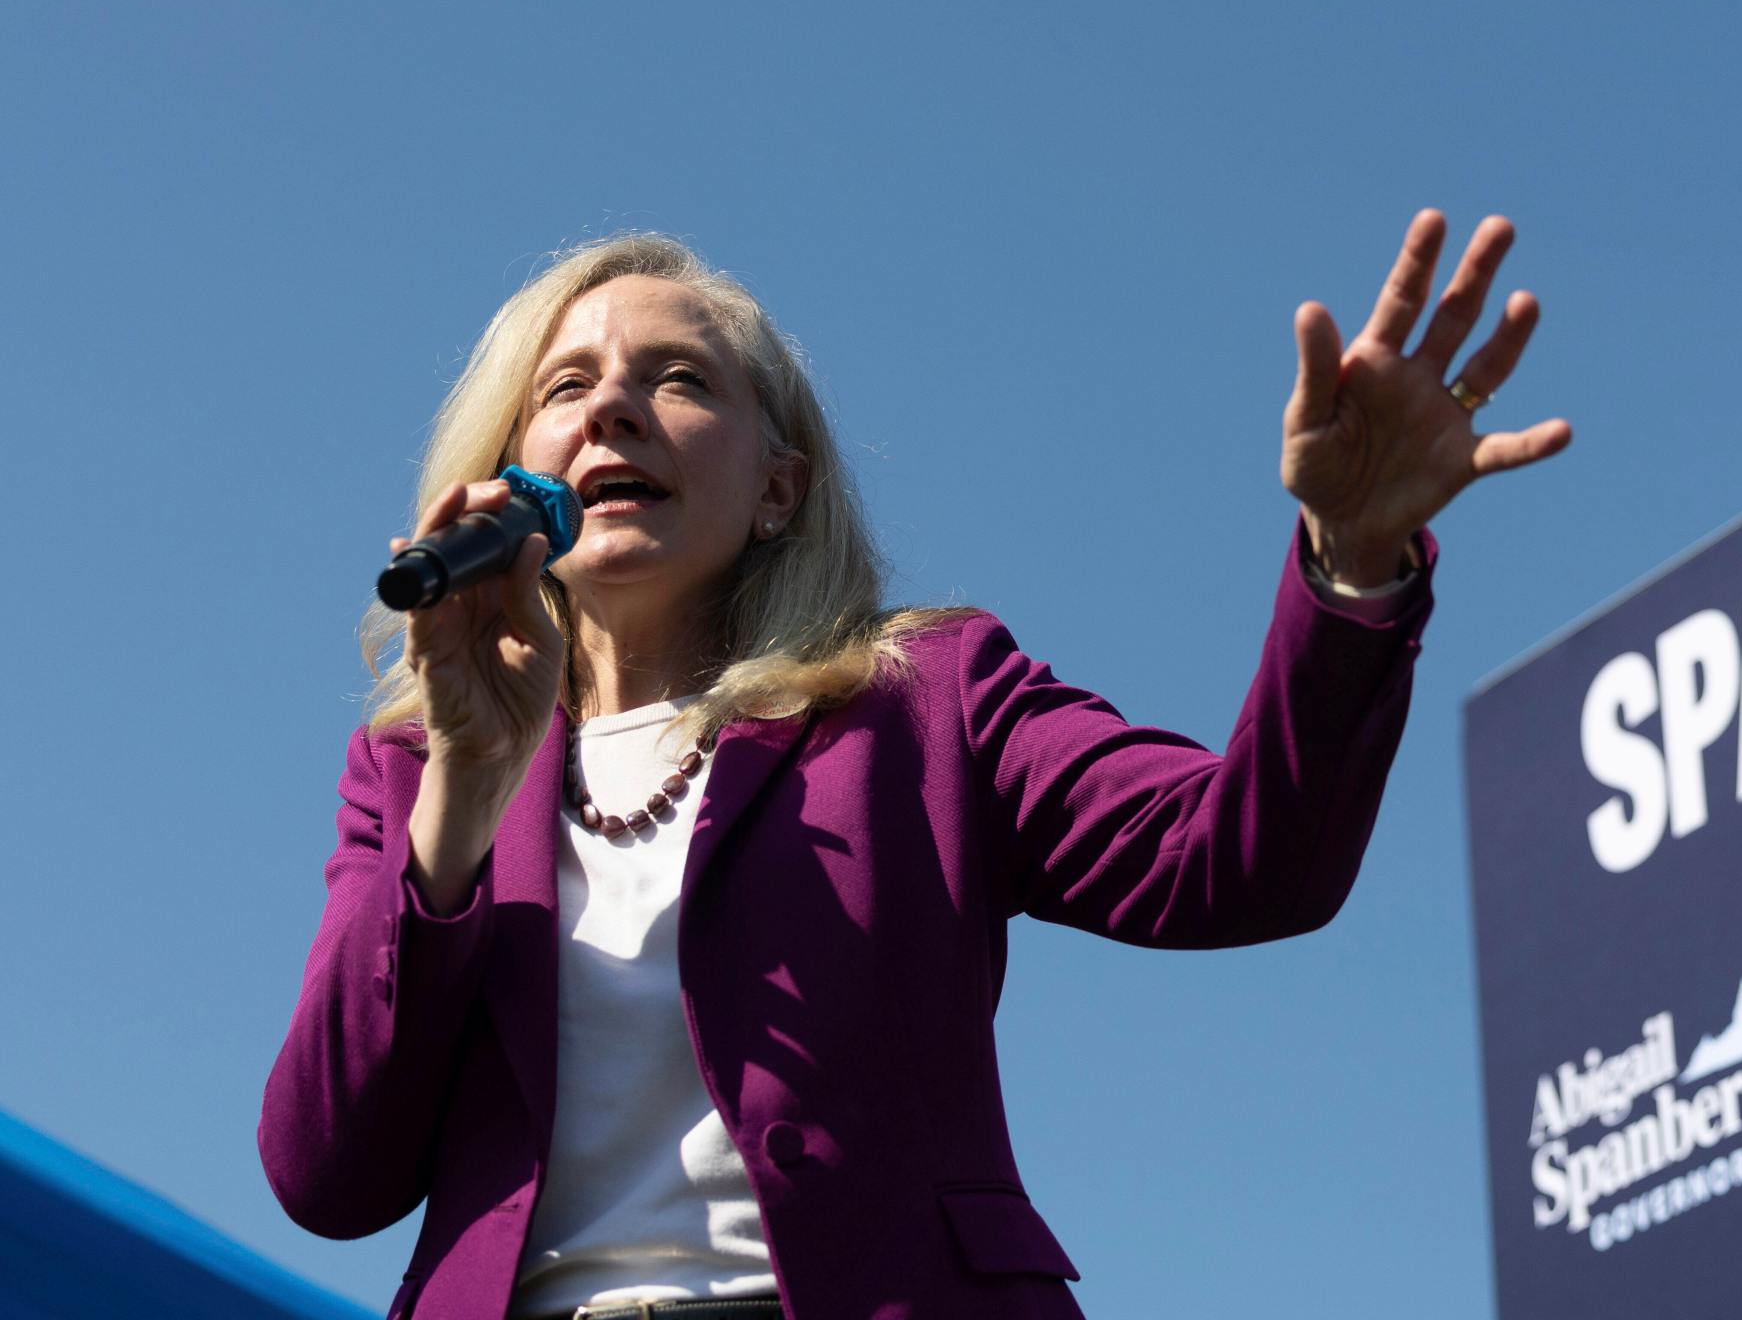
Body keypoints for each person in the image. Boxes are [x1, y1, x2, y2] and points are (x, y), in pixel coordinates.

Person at [259, 212, 1569, 1320]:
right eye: (565, 387)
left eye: (679, 379)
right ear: (510, 478)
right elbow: (326, 1175)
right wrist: (462, 801)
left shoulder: (926, 693)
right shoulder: (410, 768)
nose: (612, 405)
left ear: (778, 490)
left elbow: (1241, 862)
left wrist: (1350, 566)